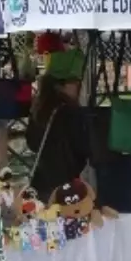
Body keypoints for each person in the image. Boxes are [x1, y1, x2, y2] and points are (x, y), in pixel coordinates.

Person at [25, 54, 90, 203]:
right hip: (66, 184)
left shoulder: (39, 108)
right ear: (60, 85)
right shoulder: (71, 112)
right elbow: (83, 147)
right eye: (75, 82)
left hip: (40, 183)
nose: (79, 86)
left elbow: (32, 143)